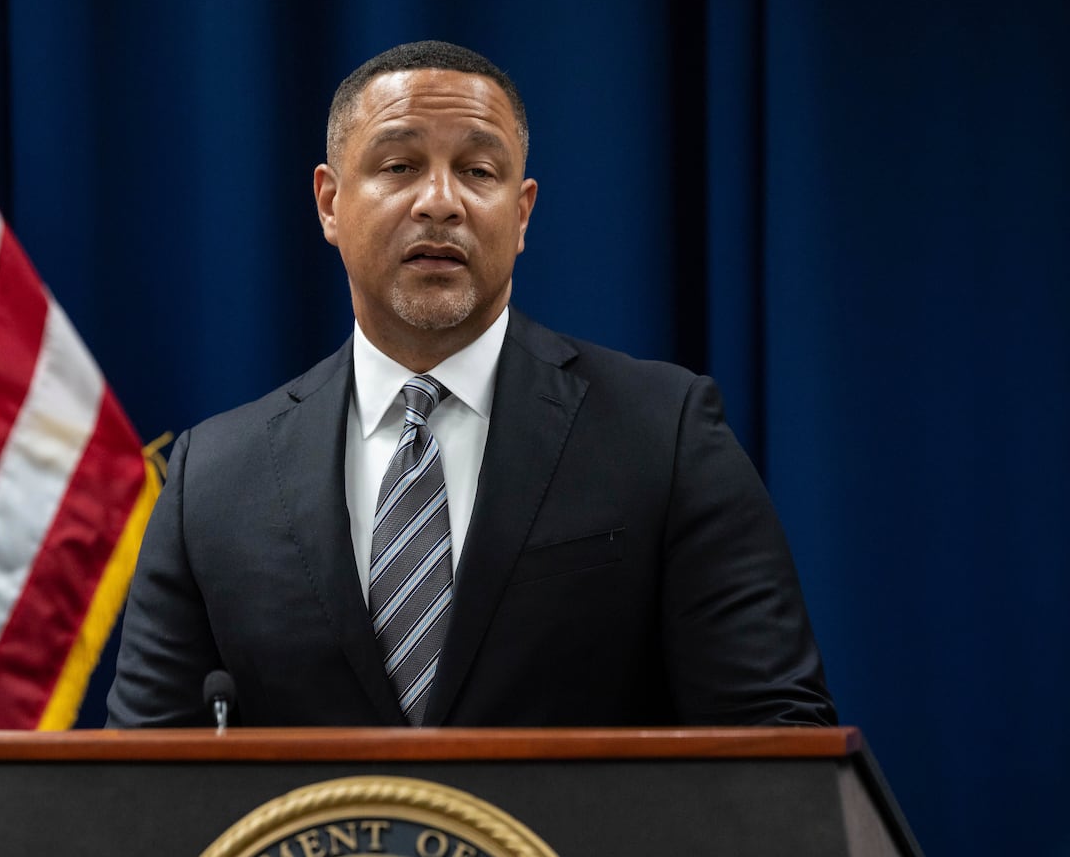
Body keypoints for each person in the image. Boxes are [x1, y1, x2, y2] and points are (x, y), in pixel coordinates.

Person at [106, 41, 834, 729]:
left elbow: (778, 739)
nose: (440, 202)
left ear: (520, 214)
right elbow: (135, 790)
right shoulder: (213, 478)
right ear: (330, 203)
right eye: (398, 166)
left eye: (480, 172)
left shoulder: (663, 432)